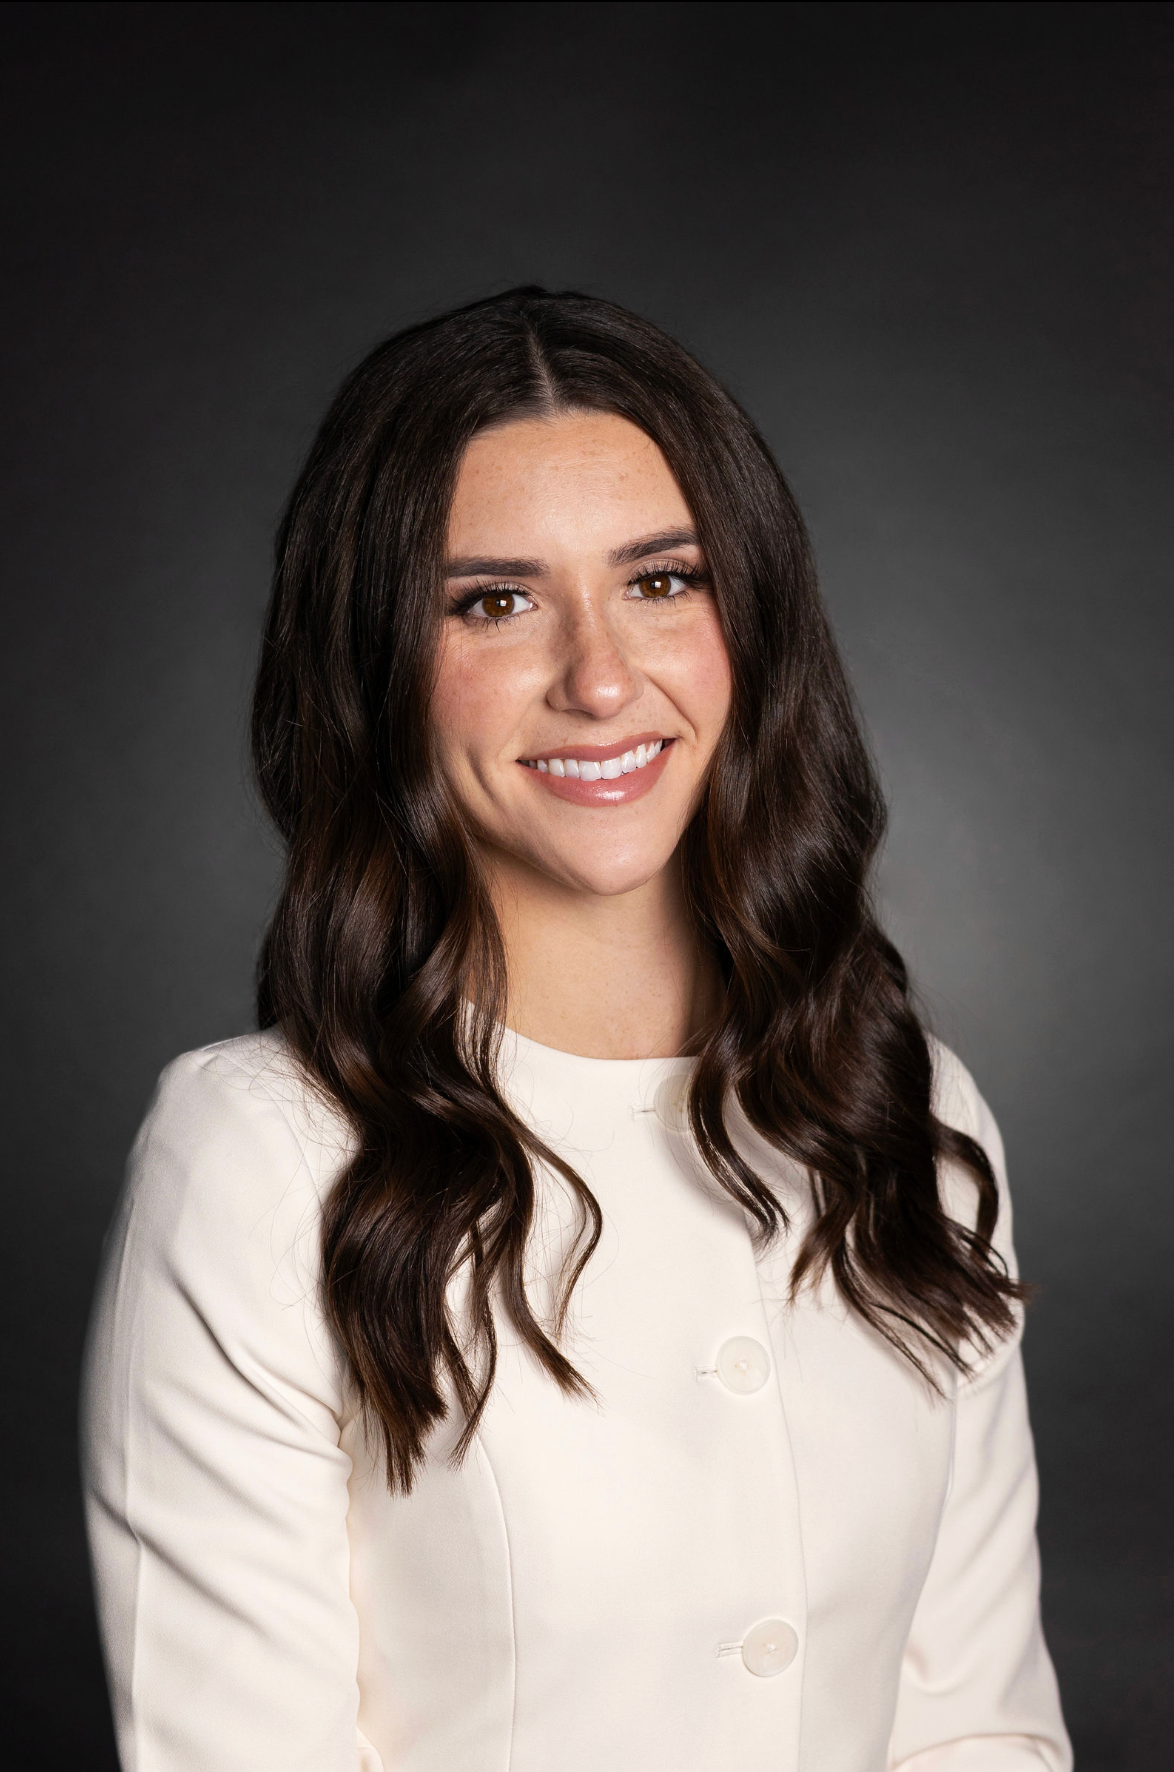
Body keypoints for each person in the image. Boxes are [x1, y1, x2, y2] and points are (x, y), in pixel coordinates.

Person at [82, 288, 1072, 1772]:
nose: (601, 678)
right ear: (373, 668)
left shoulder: (904, 1110)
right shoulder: (258, 1157)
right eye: (493, 602)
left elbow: (977, 1725)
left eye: (661, 581)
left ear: (754, 621)